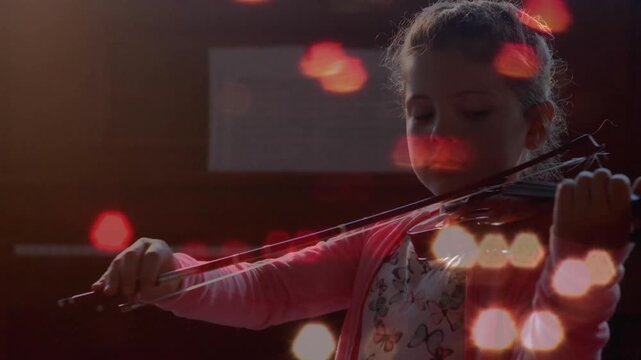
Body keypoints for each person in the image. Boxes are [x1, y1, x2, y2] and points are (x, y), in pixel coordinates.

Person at [92, 1, 640, 359]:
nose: (439, 133)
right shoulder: (388, 238)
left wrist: (580, 262)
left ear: (536, 124)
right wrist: (176, 277)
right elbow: (270, 288)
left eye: (474, 112)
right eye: (421, 112)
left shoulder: (543, 248)